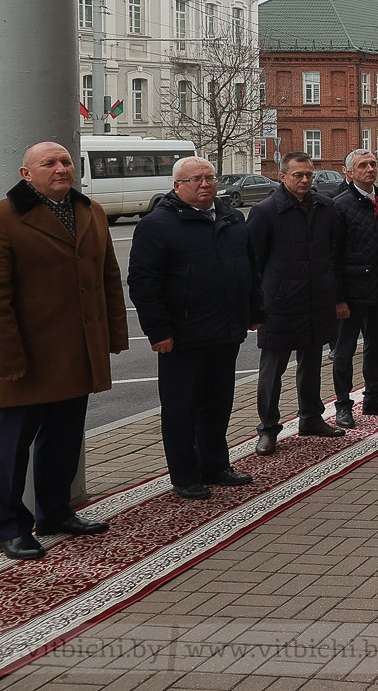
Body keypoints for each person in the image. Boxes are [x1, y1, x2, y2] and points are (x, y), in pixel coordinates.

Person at [0, 141, 128, 560]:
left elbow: (108, 278)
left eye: (65, 161)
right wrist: (8, 359)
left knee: (64, 439)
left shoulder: (89, 211)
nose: (60, 169)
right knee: (13, 446)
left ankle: (55, 512)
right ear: (26, 174)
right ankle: (9, 527)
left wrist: (112, 334)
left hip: (77, 352)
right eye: (49, 163)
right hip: (28, 358)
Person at [129, 157, 262, 500]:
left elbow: (250, 268)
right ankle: (185, 475)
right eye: (196, 179)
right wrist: (158, 332)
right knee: (181, 409)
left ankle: (216, 465)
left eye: (209, 178)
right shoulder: (157, 225)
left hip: (226, 329)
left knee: (218, 403)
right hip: (183, 334)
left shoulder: (233, 218)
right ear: (178, 186)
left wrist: (254, 311)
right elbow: (144, 284)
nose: (205, 184)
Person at [246, 152, 342, 457]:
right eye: (298, 175)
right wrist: (258, 304)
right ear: (283, 177)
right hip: (280, 303)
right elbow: (253, 262)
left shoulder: (325, 208)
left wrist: (334, 293)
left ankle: (311, 417)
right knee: (272, 370)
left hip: (316, 299)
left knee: (312, 363)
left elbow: (333, 254)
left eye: (309, 175)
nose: (304, 180)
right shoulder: (265, 211)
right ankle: (268, 430)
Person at [331, 149, 378, 428]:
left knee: (376, 346)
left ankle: (374, 396)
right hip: (351, 291)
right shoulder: (338, 205)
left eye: (373, 164)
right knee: (344, 350)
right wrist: (338, 298)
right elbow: (333, 255)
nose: (369, 169)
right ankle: (343, 404)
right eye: (362, 165)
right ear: (349, 172)